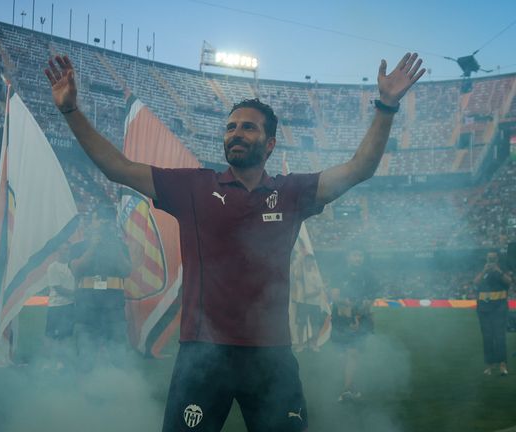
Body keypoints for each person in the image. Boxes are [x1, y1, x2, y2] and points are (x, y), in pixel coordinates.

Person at [45, 52, 424, 431]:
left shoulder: (292, 192)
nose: (236, 133)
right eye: (230, 127)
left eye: (248, 128)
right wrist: (71, 111)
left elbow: (360, 169)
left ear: (270, 144)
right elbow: (119, 168)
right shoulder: (194, 186)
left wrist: (386, 106)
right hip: (202, 354)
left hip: (271, 356)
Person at [70, 208, 132, 371]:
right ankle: (84, 390)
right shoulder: (79, 246)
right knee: (85, 353)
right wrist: (93, 246)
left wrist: (115, 248)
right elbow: (76, 270)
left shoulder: (119, 246)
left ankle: (120, 388)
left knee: (118, 353)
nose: (103, 224)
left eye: (107, 220)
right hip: (87, 309)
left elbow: (127, 271)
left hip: (114, 309)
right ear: (91, 222)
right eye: (99, 219)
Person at [330, 249, 378, 402]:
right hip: (341, 318)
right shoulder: (339, 272)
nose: (358, 258)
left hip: (361, 318)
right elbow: (335, 296)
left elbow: (371, 299)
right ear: (348, 256)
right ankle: (348, 382)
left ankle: (347, 389)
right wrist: (347, 306)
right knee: (342, 354)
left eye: (361, 255)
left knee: (354, 352)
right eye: (355, 254)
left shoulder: (369, 275)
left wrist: (359, 313)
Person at [473, 251, 513, 376]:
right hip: (484, 308)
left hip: (499, 307)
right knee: (487, 337)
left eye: (493, 257)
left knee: (500, 337)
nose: (491, 259)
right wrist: (485, 271)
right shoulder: (481, 267)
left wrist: (498, 271)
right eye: (489, 257)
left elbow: (509, 282)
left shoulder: (503, 267)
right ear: (486, 257)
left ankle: (502, 364)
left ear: (497, 258)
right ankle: (489, 365)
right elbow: (475, 282)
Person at [44, 242, 76, 370]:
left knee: (66, 336)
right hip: (56, 307)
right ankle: (47, 361)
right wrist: (78, 294)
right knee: (50, 336)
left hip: (69, 306)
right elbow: (58, 288)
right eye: (64, 249)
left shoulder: (73, 266)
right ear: (58, 251)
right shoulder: (53, 267)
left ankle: (61, 362)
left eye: (68, 249)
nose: (67, 251)